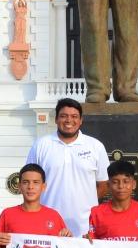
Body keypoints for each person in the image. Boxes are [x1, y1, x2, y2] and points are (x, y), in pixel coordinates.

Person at [25, 98, 109, 238]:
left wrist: (86, 202)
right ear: (56, 119)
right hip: (48, 223)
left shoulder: (95, 146)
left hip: (85, 225)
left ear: (81, 120)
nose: (69, 120)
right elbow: (29, 180)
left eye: (74, 116)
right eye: (63, 116)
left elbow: (103, 184)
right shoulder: (41, 145)